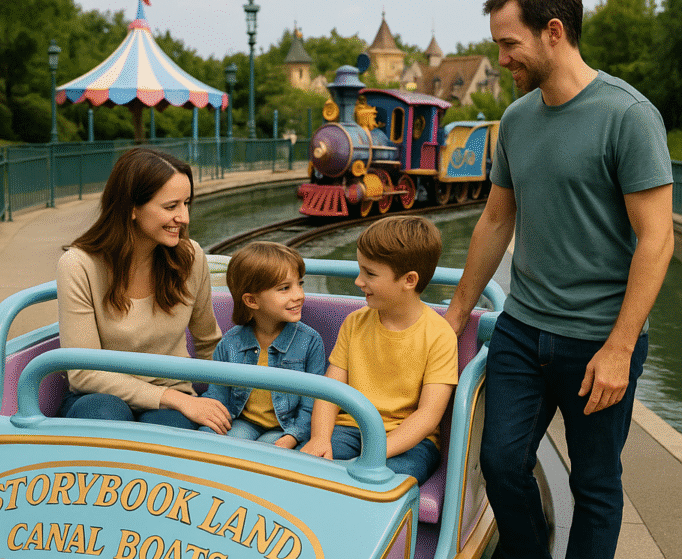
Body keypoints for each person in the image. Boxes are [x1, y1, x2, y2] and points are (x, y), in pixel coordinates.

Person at [443, 0, 674, 559]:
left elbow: (656, 239)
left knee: (595, 482)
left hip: (599, 338)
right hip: (522, 326)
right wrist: (456, 313)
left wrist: (620, 346)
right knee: (500, 460)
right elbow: (495, 219)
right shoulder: (515, 120)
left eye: (508, 43)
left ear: (553, 32)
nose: (501, 58)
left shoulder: (628, 116)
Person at [56, 146, 231, 433]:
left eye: (187, 204)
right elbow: (83, 372)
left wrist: (224, 402)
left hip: (173, 399)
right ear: (132, 208)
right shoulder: (79, 266)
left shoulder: (190, 258)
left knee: (168, 432)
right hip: (100, 396)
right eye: (171, 207)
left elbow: (209, 344)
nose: (184, 218)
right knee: (104, 415)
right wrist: (172, 398)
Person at [302, 215, 457, 485]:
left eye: (370, 274)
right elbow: (331, 390)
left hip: (407, 440)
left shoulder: (440, 335)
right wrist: (320, 438)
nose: (358, 281)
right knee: (309, 471)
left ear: (409, 280)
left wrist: (373, 453)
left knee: (385, 482)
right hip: (351, 428)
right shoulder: (355, 323)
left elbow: (428, 416)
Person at [201, 242, 326, 447]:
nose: (299, 295)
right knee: (213, 443)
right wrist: (209, 429)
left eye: (300, 284)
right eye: (285, 288)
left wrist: (293, 436)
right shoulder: (230, 343)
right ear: (251, 301)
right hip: (242, 422)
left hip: (285, 427)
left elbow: (312, 403)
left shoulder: (310, 342)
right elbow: (218, 396)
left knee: (265, 453)